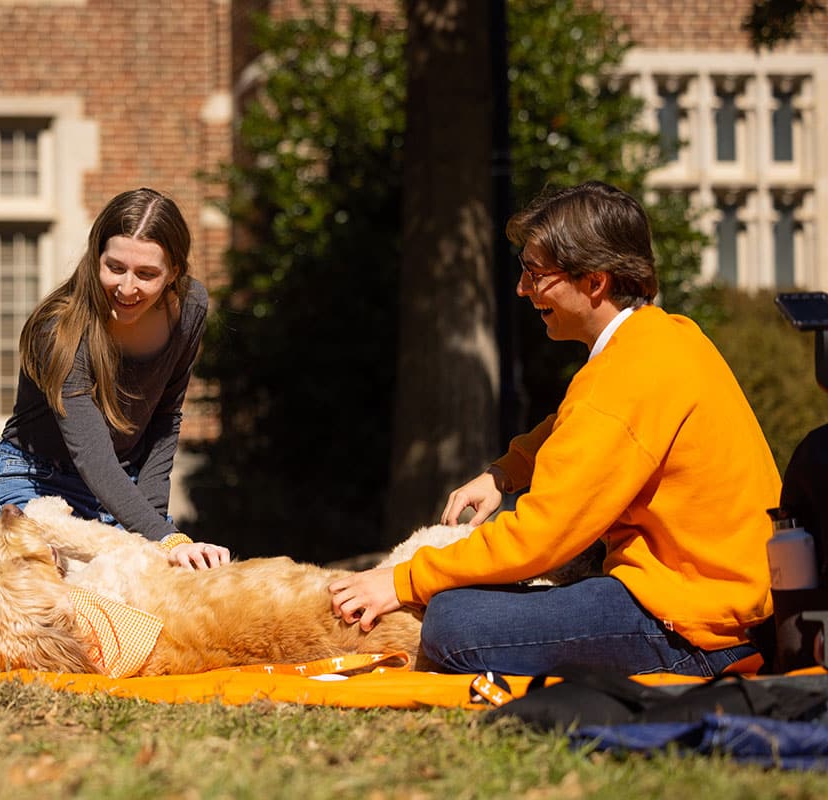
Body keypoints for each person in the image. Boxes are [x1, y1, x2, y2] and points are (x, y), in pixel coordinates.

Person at [330, 181, 782, 677]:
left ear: (596, 282)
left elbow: (541, 536)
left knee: (453, 623)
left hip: (694, 627)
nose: (523, 289)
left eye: (536, 274)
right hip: (729, 603)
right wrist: (504, 474)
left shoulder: (623, 379)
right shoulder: (665, 337)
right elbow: (572, 422)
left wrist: (403, 581)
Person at [0, 187, 229, 570]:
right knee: (52, 602)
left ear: (174, 272)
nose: (127, 288)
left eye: (147, 274)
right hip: (37, 481)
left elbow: (165, 418)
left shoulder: (190, 307)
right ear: (96, 255)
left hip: (122, 485)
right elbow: (92, 455)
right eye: (115, 267)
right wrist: (163, 536)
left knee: (156, 595)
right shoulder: (59, 329)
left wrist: (156, 530)